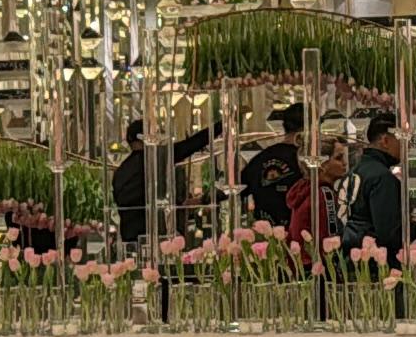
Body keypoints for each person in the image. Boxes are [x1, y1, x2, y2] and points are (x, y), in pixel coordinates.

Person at [109, 117, 213, 247]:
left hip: (129, 238)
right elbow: (192, 144)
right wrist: (221, 126)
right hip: (155, 235)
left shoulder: (120, 171)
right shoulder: (156, 159)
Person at [337, 110, 407, 254]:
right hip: (374, 260)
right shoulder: (382, 177)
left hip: (348, 257)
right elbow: (390, 236)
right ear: (385, 140)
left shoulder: (353, 172)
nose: (406, 147)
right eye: (402, 139)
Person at [237, 106, 309, 237]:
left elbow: (239, 187)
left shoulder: (261, 158)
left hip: (265, 239)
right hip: (300, 236)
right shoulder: (308, 163)